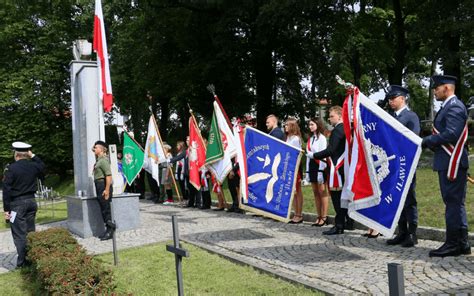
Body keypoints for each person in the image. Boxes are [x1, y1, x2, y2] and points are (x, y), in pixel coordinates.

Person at [422, 75, 471, 257]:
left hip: (453, 162)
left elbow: (451, 133)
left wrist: (427, 140)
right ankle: (462, 242)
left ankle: (453, 244)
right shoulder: (449, 107)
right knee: (455, 204)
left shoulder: (455, 106)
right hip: (449, 161)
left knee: (453, 204)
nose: (434, 91)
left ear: (447, 88)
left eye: (437, 88)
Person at [384, 85, 420, 246]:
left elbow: (413, 139)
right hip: (393, 164)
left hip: (406, 164)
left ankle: (412, 233)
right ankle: (402, 231)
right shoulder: (389, 116)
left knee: (409, 199)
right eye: (389, 99)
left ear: (402, 98)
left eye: (393, 98)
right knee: (397, 198)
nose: (390, 101)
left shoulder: (411, 116)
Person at [307, 106, 348, 235]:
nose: (329, 119)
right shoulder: (345, 129)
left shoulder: (337, 130)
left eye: (332, 116)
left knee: (337, 198)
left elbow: (331, 150)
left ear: (340, 116)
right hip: (343, 167)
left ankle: (339, 225)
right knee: (342, 198)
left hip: (337, 169)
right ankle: (344, 222)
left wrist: (314, 155)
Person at [3, 142, 45, 267]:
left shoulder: (11, 168)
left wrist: (6, 210)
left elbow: (7, 190)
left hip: (17, 205)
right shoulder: (33, 166)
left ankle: (22, 263)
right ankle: (32, 258)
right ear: (27, 154)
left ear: (16, 154)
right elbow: (42, 166)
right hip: (31, 202)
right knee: (30, 232)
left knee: (19, 234)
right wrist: (32, 155)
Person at [306, 117, 329, 227]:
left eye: (312, 124)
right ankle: (318, 215)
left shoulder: (322, 138)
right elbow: (307, 156)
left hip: (320, 165)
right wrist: (307, 171)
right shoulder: (311, 139)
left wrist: (321, 170)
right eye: (309, 125)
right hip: (312, 165)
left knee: (322, 192)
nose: (310, 126)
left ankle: (324, 217)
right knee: (315, 192)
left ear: (318, 125)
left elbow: (323, 154)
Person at [92, 140, 115, 241]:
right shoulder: (99, 160)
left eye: (96, 148)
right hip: (99, 185)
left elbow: (109, 176)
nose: (94, 149)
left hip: (103, 185)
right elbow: (93, 149)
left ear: (101, 150)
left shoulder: (103, 160)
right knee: (103, 208)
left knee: (106, 208)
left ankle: (110, 230)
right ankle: (108, 228)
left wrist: (107, 190)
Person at [285, 118, 304, 224]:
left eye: (287, 125)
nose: (285, 127)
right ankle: (295, 213)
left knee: (297, 191)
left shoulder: (296, 139)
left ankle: (299, 214)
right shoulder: (288, 137)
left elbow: (296, 155)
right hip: (289, 167)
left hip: (295, 167)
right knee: (292, 191)